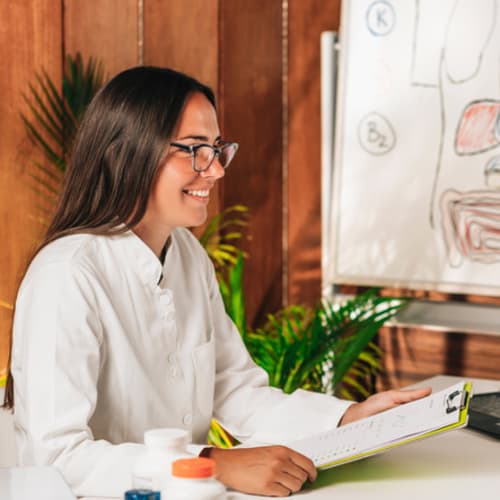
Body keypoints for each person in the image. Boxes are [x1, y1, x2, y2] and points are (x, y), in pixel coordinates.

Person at [3, 66, 431, 498]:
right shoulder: (67, 274)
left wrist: (347, 419)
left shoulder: (188, 257)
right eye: (194, 150)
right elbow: (56, 458)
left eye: (217, 148)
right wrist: (209, 463)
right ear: (125, 153)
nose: (215, 171)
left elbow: (236, 391)